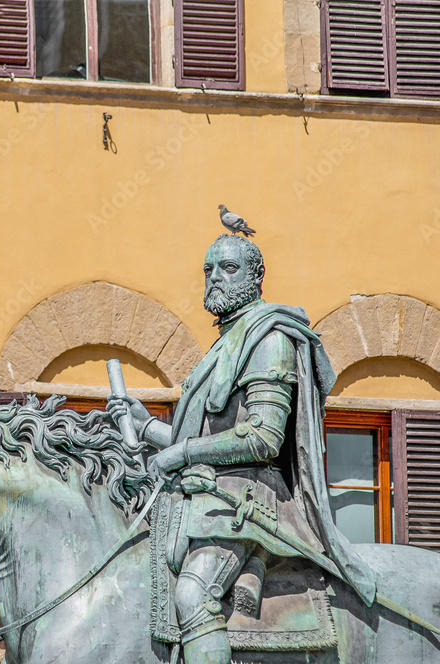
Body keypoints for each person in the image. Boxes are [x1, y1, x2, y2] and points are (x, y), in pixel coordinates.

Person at [107, 234, 376, 664]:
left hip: (247, 500)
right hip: (204, 497)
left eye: (228, 269)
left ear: (256, 276)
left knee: (193, 594)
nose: (215, 278)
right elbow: (194, 439)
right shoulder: (226, 342)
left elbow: (263, 437)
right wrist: (147, 426)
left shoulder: (268, 339)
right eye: (208, 270)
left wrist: (181, 453)